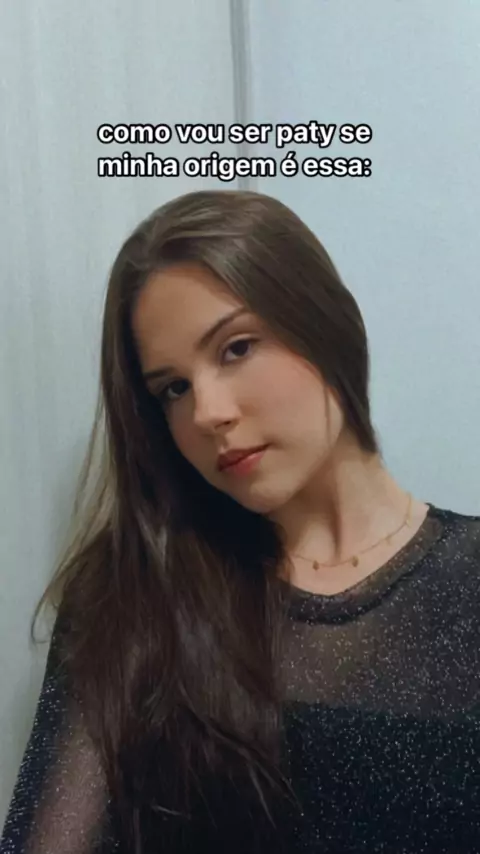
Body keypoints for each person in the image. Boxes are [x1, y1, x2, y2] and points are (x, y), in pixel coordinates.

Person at [1, 189, 479, 854]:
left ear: (325, 321)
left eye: (236, 348)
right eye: (173, 388)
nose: (207, 413)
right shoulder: (134, 592)